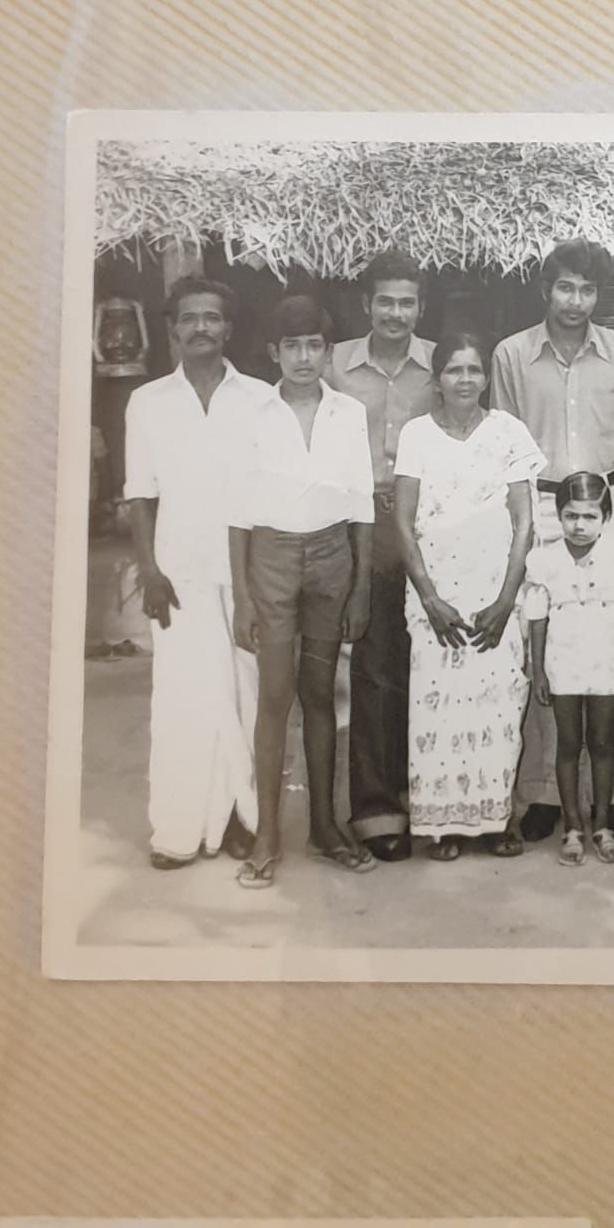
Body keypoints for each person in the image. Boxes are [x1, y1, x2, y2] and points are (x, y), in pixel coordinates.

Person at [491, 239, 614, 844]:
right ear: (545, 289)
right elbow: (503, 444)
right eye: (565, 287)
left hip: (603, 506)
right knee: (542, 643)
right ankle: (541, 793)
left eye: (587, 289)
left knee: (612, 645)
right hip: (538, 505)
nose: (576, 301)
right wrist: (518, 522)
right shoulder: (512, 355)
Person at [123, 276, 272, 869]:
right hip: (178, 574)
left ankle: (240, 820)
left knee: (245, 695)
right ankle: (180, 828)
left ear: (228, 328)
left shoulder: (260, 398)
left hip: (248, 575)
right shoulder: (148, 402)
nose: (201, 327)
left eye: (212, 317)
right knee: (181, 699)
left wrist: (264, 582)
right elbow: (140, 494)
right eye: (190, 318)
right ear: (172, 330)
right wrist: (148, 570)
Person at [229, 295, 376, 889]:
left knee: (320, 696)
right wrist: (243, 597)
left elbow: (361, 504)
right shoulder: (254, 413)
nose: (304, 357)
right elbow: (237, 511)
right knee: (274, 696)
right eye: (292, 346)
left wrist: (360, 588)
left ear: (328, 351)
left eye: (314, 345)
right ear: (274, 352)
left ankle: (324, 826)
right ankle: (267, 833)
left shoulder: (349, 412)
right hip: (271, 559)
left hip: (331, 558)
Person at [394, 331, 545, 861]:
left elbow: (524, 522)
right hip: (436, 594)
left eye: (474, 370)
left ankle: (496, 819)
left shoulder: (509, 432)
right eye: (454, 370)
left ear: (486, 378)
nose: (465, 379)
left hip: (495, 590)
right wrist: (430, 599)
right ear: (437, 380)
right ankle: (444, 826)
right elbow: (403, 522)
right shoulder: (416, 434)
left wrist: (506, 599)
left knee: (500, 704)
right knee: (437, 708)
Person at [330, 251, 436, 863]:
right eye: (385, 302)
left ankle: (425, 795)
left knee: (424, 661)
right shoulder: (335, 365)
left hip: (426, 519)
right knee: (372, 664)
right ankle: (375, 808)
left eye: (407, 302)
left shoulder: (439, 365)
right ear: (367, 305)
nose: (396, 313)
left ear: (421, 307)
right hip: (361, 518)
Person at [525, 472, 614, 867]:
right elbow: (537, 620)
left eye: (590, 516)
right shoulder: (544, 560)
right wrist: (539, 672)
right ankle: (572, 827)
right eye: (571, 515)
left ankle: (602, 824)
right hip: (562, 663)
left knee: (602, 744)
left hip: (606, 661)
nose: (580, 525)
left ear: (606, 517)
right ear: (559, 515)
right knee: (567, 744)